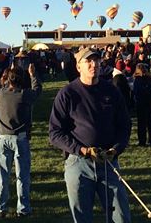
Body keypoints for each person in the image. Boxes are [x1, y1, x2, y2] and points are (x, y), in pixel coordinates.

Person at [48, 47, 132, 223]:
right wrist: (82, 150)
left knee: (121, 216)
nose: (94, 64)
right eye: (88, 61)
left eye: (97, 60)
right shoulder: (67, 93)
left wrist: (116, 149)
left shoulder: (112, 91)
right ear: (79, 66)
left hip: (108, 162)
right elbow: (55, 132)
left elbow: (124, 125)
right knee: (82, 217)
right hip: (78, 164)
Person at [0, 63, 41, 217]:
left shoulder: (0, 93)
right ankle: (23, 208)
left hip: (3, 137)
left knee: (3, 175)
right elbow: (37, 90)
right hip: (20, 138)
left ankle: (1, 207)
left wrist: (6, 72)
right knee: (22, 176)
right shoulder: (24, 95)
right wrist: (33, 75)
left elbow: (1, 84)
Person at [132, 64, 151, 147]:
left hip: (142, 103)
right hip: (149, 102)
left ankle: (143, 141)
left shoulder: (137, 79)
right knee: (150, 122)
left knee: (142, 123)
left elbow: (136, 92)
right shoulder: (148, 79)